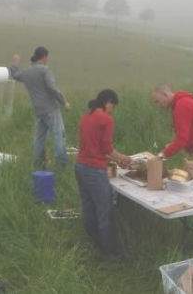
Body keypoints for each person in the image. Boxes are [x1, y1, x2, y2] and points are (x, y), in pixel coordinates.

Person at [75, 89, 132, 261]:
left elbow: (88, 145)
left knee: (88, 206)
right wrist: (122, 158)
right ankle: (109, 252)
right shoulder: (106, 119)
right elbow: (107, 148)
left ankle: (94, 243)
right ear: (108, 102)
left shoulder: (85, 117)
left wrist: (109, 157)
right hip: (94, 170)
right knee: (104, 210)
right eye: (113, 106)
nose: (112, 110)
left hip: (80, 166)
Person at [151, 84, 193, 226]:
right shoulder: (181, 104)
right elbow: (185, 136)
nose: (158, 105)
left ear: (165, 95)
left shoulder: (182, 106)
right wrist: (173, 145)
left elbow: (182, 139)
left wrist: (161, 155)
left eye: (158, 101)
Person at [9, 47, 71, 169]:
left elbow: (15, 75)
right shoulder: (45, 70)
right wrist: (64, 102)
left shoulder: (27, 72)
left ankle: (38, 164)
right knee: (59, 135)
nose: (48, 59)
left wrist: (15, 62)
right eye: (47, 57)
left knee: (39, 138)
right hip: (50, 109)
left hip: (38, 110)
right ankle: (62, 165)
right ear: (43, 57)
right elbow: (52, 87)